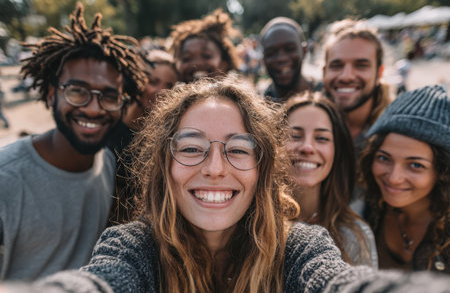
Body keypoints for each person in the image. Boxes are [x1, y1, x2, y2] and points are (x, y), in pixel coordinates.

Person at [2, 77, 450, 293]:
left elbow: (336, 284)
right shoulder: (130, 247)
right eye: (192, 148)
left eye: (238, 149)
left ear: (263, 169)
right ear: (164, 165)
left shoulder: (303, 247)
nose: (215, 168)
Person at [0, 3, 146, 281]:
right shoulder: (6, 181)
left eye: (108, 95)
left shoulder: (108, 162)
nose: (93, 108)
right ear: (52, 93)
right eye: (77, 91)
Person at [360, 85, 449, 273]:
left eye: (416, 165)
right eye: (384, 158)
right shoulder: (366, 210)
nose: (394, 178)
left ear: (442, 172)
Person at [285, 91, 377, 268]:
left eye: (322, 138)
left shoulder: (356, 236)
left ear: (337, 152)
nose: (307, 147)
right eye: (295, 136)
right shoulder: (252, 226)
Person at [322, 19, 392, 215]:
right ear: (324, 72)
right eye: (336, 65)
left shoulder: (394, 136)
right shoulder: (305, 130)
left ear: (379, 73)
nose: (346, 75)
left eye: (361, 65)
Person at [107, 48, 178, 225]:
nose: (161, 91)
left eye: (169, 85)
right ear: (136, 80)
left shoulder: (165, 136)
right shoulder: (106, 125)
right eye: (153, 81)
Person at [169, 8, 241, 83]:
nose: (196, 63)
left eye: (206, 56)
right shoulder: (164, 91)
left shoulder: (236, 93)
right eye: (186, 58)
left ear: (224, 64)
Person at [260, 17, 314, 102]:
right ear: (263, 60)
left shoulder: (327, 96)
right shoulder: (257, 108)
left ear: (304, 51)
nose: (281, 58)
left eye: (289, 49)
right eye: (271, 53)